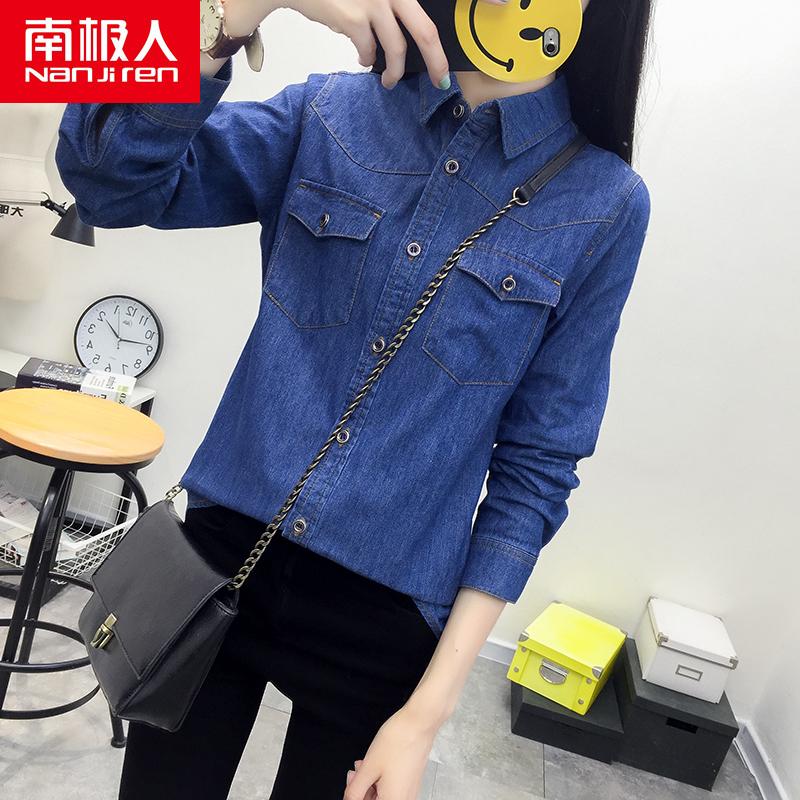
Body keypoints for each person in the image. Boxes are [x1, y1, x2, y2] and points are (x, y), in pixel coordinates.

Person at [55, 0, 654, 797]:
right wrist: (235, 10)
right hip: (219, 562)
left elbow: (538, 464)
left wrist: (426, 715)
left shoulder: (604, 203)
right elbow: (109, 184)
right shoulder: (331, 113)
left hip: (386, 615)